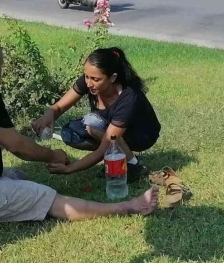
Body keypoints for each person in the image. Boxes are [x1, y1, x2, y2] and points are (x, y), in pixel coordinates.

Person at [0, 41, 159, 227]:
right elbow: (18, 146)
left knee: (18, 176)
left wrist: (70, 165)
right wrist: (53, 156)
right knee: (50, 198)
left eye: (95, 78)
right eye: (2, 69)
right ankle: (129, 207)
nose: (89, 83)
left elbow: (108, 142)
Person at [32, 47, 161, 182]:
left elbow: (105, 145)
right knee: (70, 133)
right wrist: (47, 116)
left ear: (112, 78)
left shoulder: (128, 97)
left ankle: (133, 166)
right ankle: (117, 157)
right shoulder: (89, 81)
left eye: (95, 79)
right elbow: (58, 106)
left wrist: (70, 168)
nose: (88, 83)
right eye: (86, 76)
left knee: (92, 123)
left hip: (142, 135)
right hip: (112, 129)